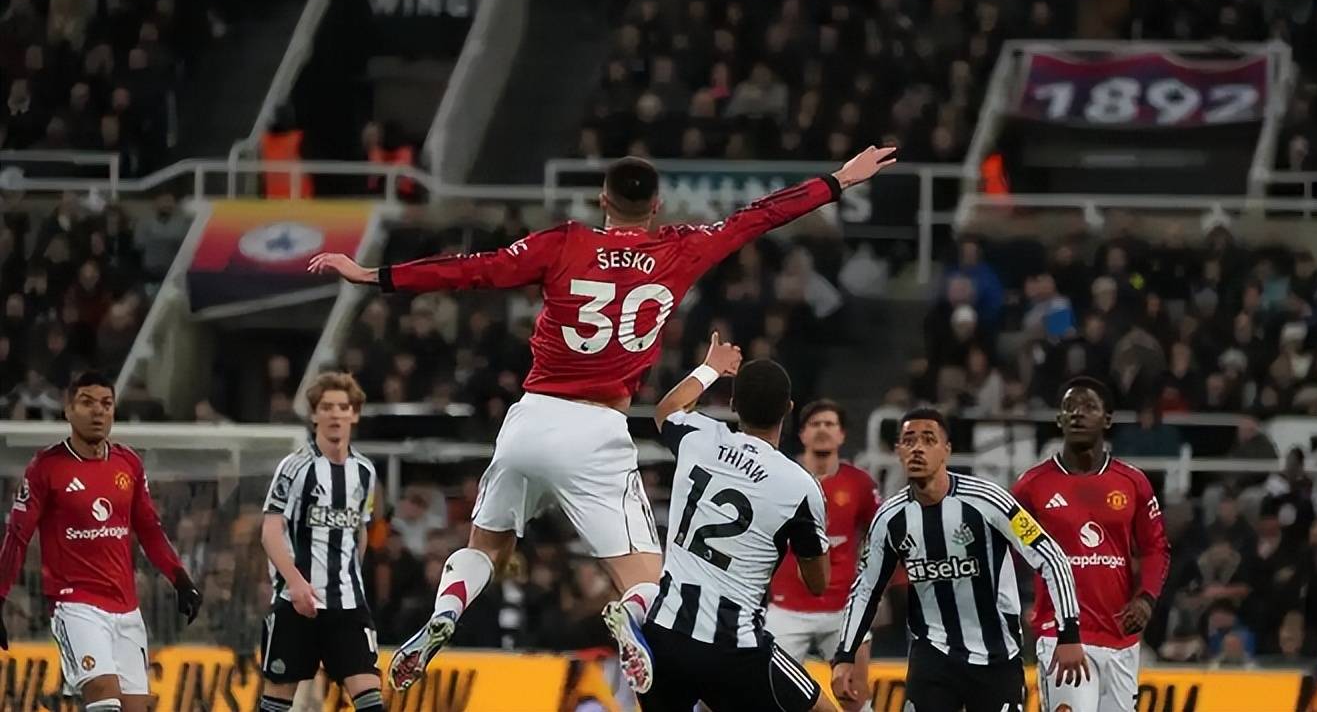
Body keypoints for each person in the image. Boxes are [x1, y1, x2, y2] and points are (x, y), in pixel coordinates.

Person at [308, 145, 897, 690]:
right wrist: (838, 180)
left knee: (486, 545)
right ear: (656, 206)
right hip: (598, 431)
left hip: (530, 420)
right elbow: (757, 217)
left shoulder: (563, 243)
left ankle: (446, 611)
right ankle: (628, 622)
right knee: (648, 581)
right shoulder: (679, 248)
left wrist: (376, 276)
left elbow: (474, 269)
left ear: (603, 200)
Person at [832, 408, 1087, 712]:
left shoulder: (989, 500)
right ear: (899, 451)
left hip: (996, 657)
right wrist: (845, 656)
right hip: (932, 656)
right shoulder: (890, 518)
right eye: (909, 441)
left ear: (947, 450)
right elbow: (865, 590)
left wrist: (1069, 633)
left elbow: (1051, 557)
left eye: (929, 440)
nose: (917, 448)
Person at [638, 333, 834, 711]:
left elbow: (666, 410)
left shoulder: (698, 438)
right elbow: (817, 583)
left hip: (665, 634)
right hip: (734, 647)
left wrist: (711, 367)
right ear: (788, 409)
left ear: (732, 404)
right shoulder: (799, 485)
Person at [0, 371, 202, 712]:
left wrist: (180, 579)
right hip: (75, 605)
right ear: (68, 409)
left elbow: (150, 530)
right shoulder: (46, 467)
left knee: (135, 707)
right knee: (104, 697)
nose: (98, 411)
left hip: (127, 608)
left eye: (106, 404)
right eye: (87, 403)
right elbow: (17, 536)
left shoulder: (129, 463)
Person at [1012, 376, 1170, 712]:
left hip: (1120, 636)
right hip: (1062, 636)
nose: (1077, 414)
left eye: (1088, 407)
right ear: (1059, 419)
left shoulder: (1133, 482)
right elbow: (1008, 551)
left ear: (1107, 419)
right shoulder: (1031, 486)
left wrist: (1146, 598)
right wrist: (1021, 603)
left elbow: (1156, 548)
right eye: (1069, 407)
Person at [259, 372, 382, 712]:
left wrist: (349, 576)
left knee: (372, 702)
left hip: (348, 606)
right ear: (314, 414)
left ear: (354, 414)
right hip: (296, 604)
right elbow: (270, 530)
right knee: (275, 704)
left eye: (343, 407)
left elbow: (360, 530)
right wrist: (296, 583)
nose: (335, 414)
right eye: (326, 407)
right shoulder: (295, 467)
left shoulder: (365, 471)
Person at [768, 399, 879, 711]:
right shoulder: (779, 477)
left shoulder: (860, 484)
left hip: (843, 611)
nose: (822, 430)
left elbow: (882, 535)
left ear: (842, 434)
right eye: (814, 424)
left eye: (829, 424)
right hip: (786, 609)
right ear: (802, 434)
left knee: (855, 698)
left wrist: (874, 591)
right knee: (768, 697)